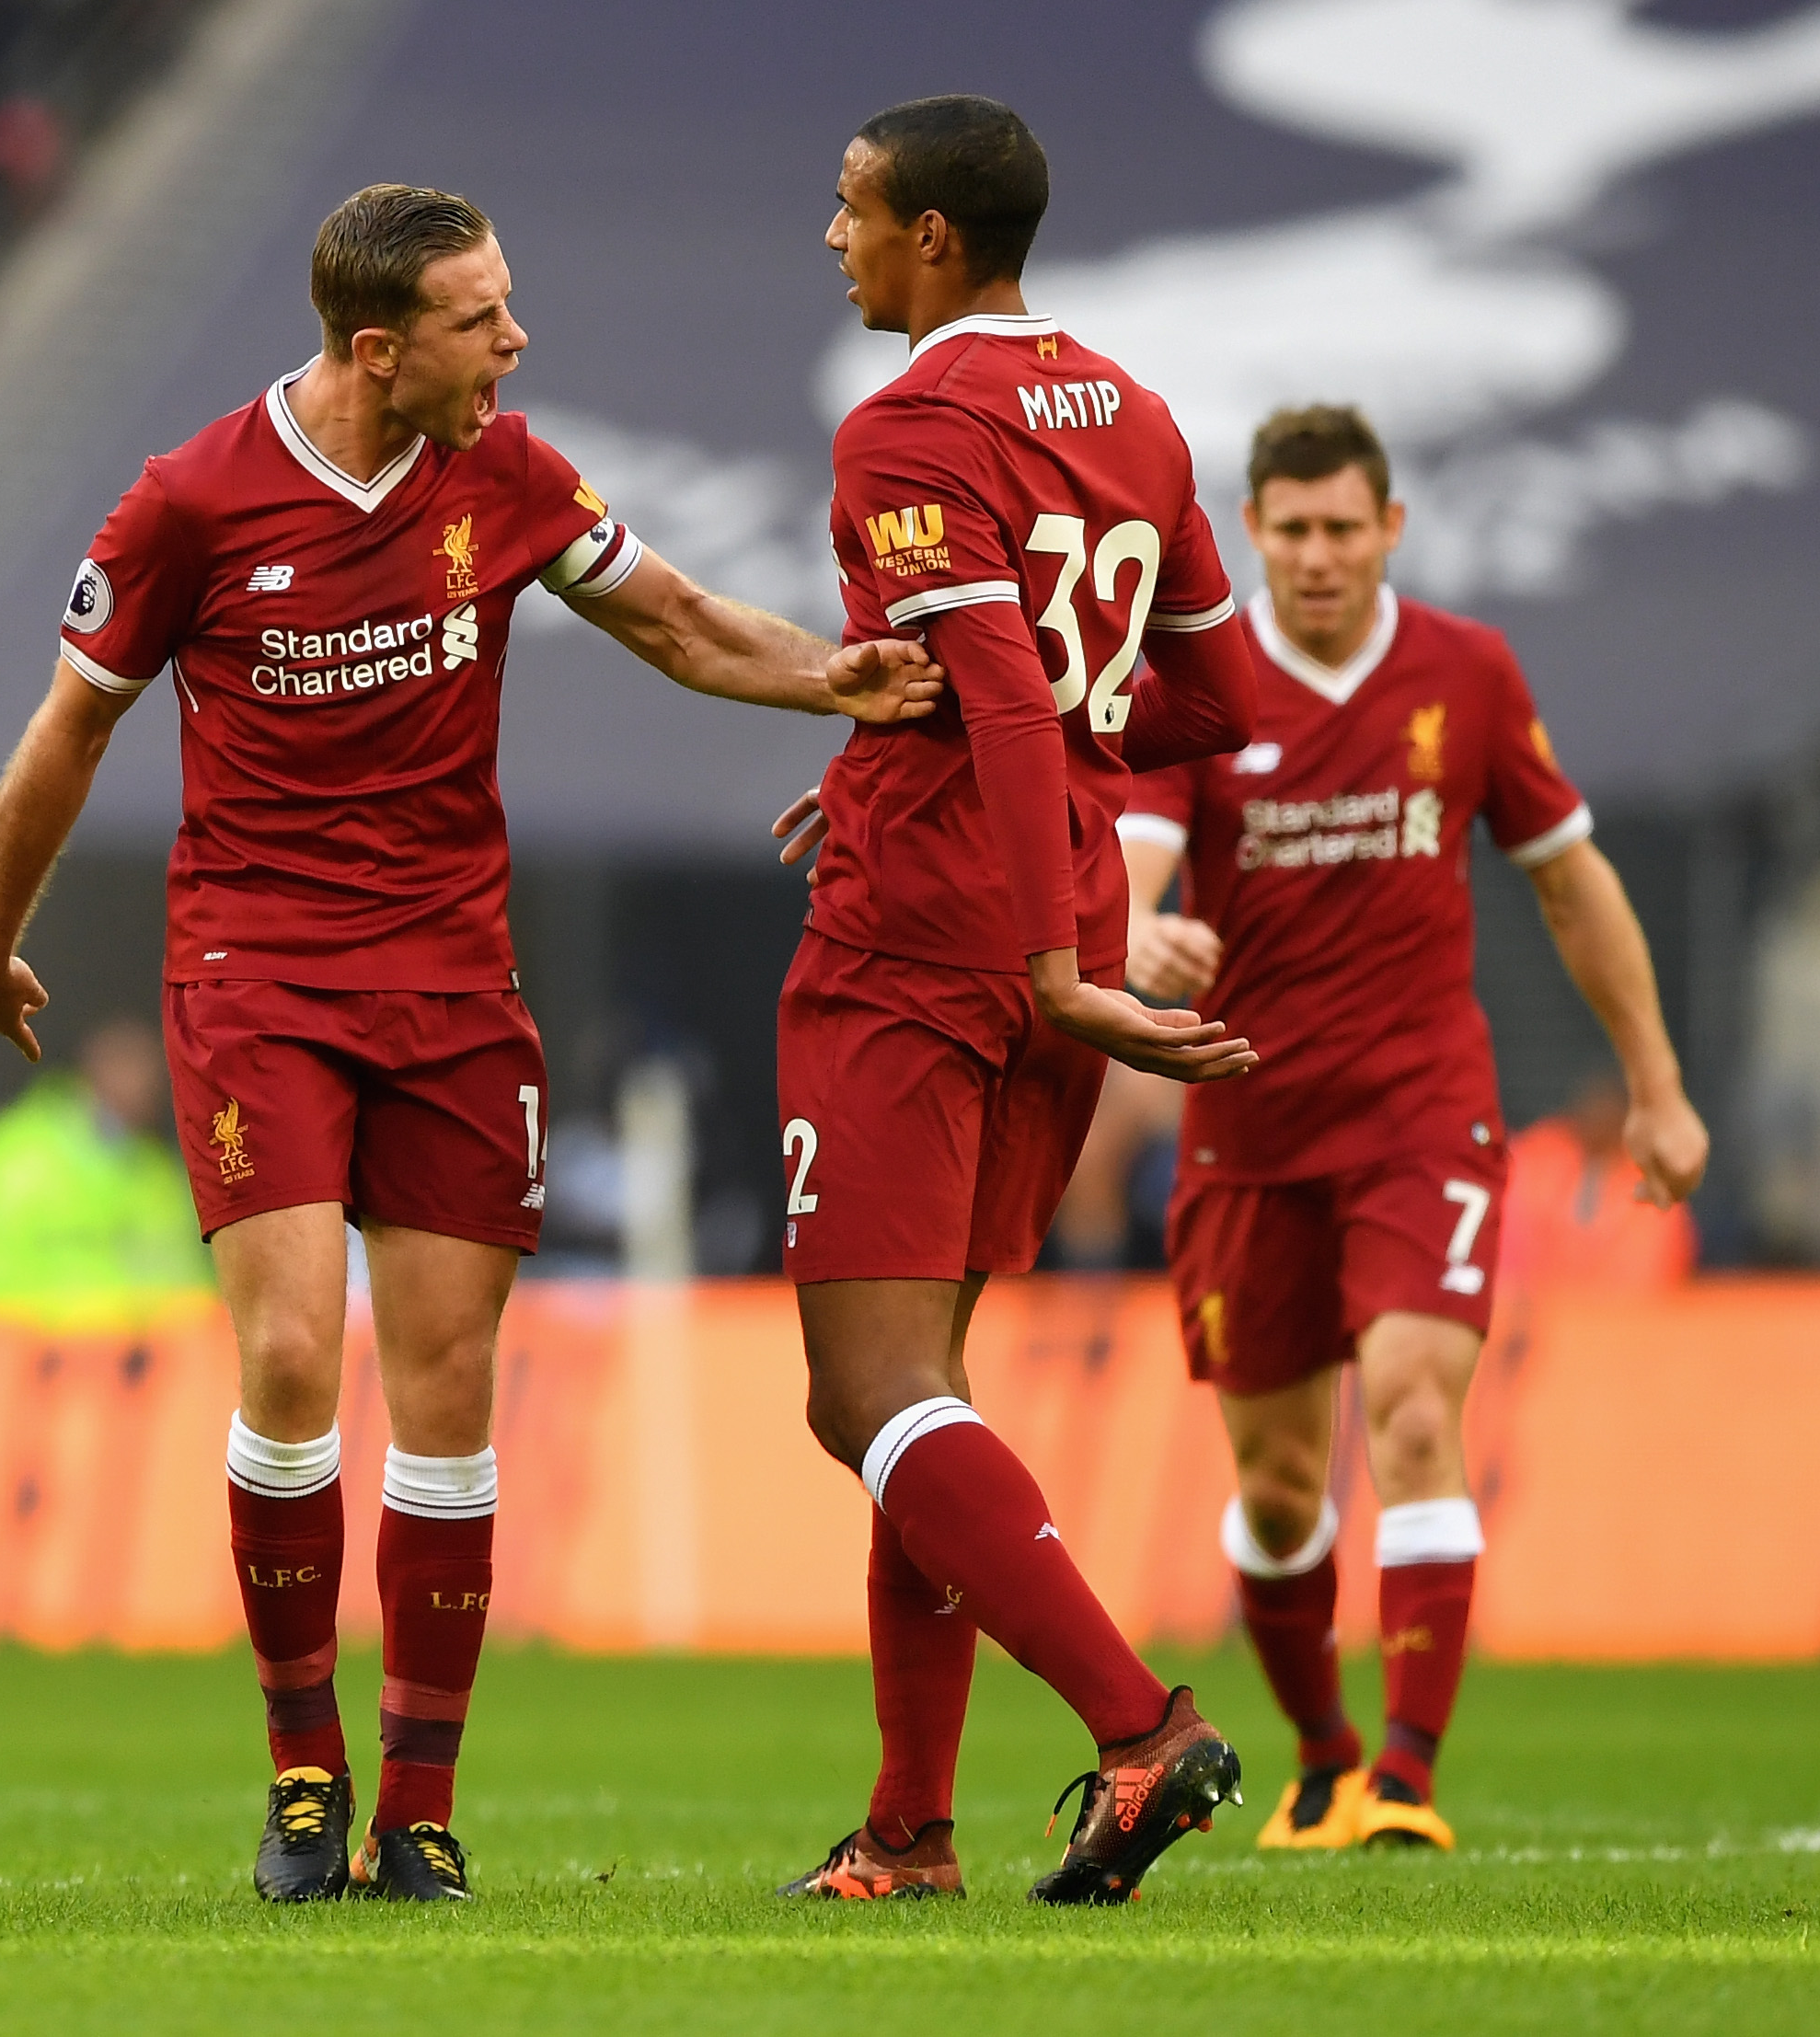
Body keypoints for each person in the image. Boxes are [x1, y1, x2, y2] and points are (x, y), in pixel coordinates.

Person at [0, 182, 942, 1904]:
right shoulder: (190, 499)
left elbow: (678, 621)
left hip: (454, 989)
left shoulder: (506, 472)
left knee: (447, 1392)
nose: (516, 341)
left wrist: (831, 677)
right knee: (280, 1362)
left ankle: (416, 1805)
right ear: (373, 345)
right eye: (483, 319)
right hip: (255, 972)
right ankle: (303, 1775)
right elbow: (66, 731)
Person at [764, 95, 1264, 1906]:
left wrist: (1027, 905)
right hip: (1049, 917)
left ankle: (1139, 1729)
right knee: (927, 1394)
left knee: (866, 1391)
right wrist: (1052, 822)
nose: (833, 236)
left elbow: (986, 667)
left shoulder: (904, 419)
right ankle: (908, 1829)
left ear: (935, 244)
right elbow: (1205, 703)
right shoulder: (1134, 414)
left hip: (925, 937)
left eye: (852, 207)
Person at [1119, 404, 1708, 1851]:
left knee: (1416, 1411)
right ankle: (1320, 1755)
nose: (1317, 555)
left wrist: (1656, 1084)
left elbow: (1569, 883)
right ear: (1250, 532)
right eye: (1291, 528)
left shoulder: (1468, 671)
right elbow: (1125, 864)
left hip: (1418, 1111)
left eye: (1343, 527)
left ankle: (1408, 1778)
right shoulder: (1194, 682)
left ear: (1390, 528)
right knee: (1269, 1487)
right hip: (1244, 1133)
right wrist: (1136, 934)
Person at [0, 1014, 215, 1328]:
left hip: (139, 1366)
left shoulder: (158, 1174)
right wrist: (78, 1329)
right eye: (125, 1067)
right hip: (38, 1364)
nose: (140, 1085)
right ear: (93, 1071)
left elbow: (190, 1285)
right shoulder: (13, 1155)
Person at [1498, 1072, 1698, 1288]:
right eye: (1594, 1105)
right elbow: (1512, 1244)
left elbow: (1653, 1272)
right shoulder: (1539, 1155)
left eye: (1610, 1109)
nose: (1599, 1115)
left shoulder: (1652, 1186)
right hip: (1537, 1308)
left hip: (1621, 1314)